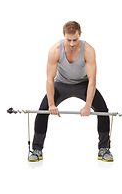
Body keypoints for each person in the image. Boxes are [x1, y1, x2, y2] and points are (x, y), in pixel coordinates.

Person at [29, 21, 113, 162]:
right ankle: (37, 149)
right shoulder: (55, 50)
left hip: (83, 84)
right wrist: (51, 104)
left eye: (75, 39)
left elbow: (92, 80)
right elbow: (50, 79)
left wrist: (87, 106)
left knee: (103, 111)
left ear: (80, 34)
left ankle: (104, 149)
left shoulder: (88, 50)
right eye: (69, 40)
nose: (72, 43)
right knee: (42, 111)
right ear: (64, 36)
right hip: (61, 84)